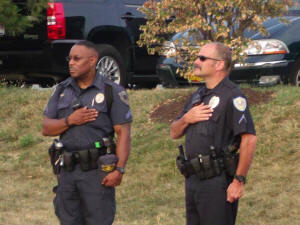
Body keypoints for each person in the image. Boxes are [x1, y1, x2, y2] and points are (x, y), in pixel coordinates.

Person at [42, 40, 132, 225]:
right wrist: (70, 120)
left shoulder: (110, 91)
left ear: (92, 61)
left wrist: (120, 169)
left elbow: (123, 133)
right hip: (67, 171)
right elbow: (46, 128)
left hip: (96, 172)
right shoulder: (62, 90)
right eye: (70, 58)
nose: (71, 63)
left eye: (77, 58)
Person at [170, 42, 257, 225]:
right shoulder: (198, 95)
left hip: (217, 182)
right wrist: (187, 118)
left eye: (202, 58)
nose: (196, 61)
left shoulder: (233, 95)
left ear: (219, 64)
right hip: (193, 179)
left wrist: (238, 181)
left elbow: (248, 139)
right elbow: (174, 132)